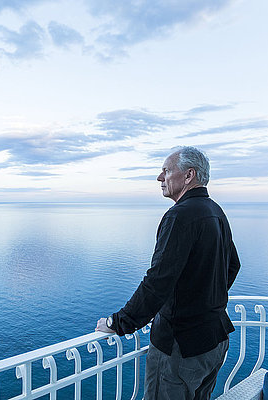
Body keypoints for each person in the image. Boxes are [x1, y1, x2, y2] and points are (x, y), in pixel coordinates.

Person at [95, 146, 240, 400]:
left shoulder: (179, 216)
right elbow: (232, 266)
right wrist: (202, 302)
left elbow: (158, 281)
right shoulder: (215, 211)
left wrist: (119, 322)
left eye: (166, 171)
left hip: (181, 348)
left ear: (188, 176)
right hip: (213, 339)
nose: (160, 178)